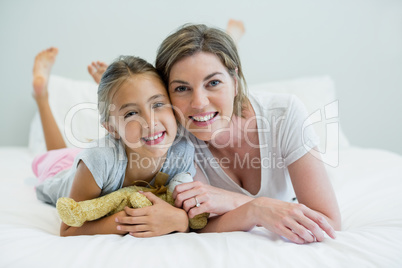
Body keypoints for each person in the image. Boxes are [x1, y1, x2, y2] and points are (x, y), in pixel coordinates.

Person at [143, 23, 342, 244]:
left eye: (214, 83)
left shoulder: (284, 114)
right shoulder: (176, 139)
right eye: (182, 88)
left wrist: (235, 202)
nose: (199, 103)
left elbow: (328, 222)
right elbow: (199, 225)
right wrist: (255, 209)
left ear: (235, 82)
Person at [32, 48, 195, 237]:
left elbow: (191, 216)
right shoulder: (98, 161)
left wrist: (180, 220)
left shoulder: (182, 150)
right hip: (67, 171)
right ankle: (42, 98)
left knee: (78, 150)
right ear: (111, 129)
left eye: (158, 104)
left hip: (109, 151)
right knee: (57, 155)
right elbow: (68, 229)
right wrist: (134, 221)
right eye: (131, 113)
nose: (150, 122)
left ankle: (116, 92)